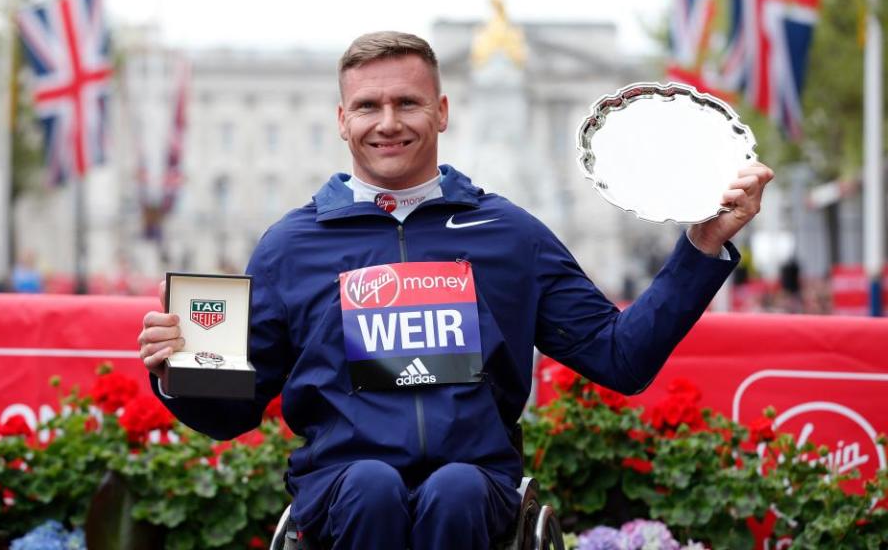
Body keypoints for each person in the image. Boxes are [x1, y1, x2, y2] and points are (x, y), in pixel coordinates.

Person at [137, 31, 774, 549]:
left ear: (441, 112)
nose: (387, 123)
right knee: (371, 486)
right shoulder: (291, 246)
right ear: (342, 121)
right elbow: (232, 412)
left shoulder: (508, 233)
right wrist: (178, 373)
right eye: (368, 107)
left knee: (456, 490)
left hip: (476, 489)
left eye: (408, 104)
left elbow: (620, 358)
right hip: (341, 489)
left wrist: (702, 245)